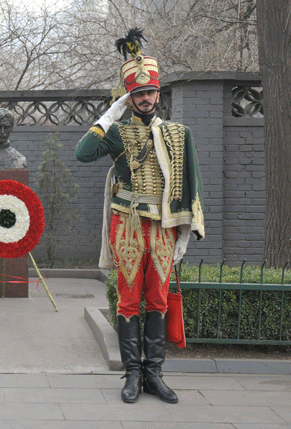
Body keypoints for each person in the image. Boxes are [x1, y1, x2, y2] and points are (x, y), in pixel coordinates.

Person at [75, 29, 204, 404]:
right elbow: (83, 152)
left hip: (163, 227)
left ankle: (154, 375)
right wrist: (111, 112)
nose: (145, 98)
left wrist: (184, 234)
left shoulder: (179, 134)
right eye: (138, 93)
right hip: (128, 225)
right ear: (129, 98)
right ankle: (132, 373)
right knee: (129, 300)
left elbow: (191, 184)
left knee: (158, 300)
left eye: (150, 92)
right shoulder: (116, 133)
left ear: (158, 95)